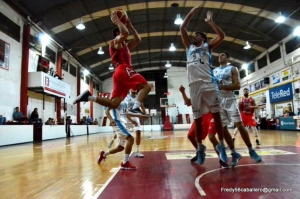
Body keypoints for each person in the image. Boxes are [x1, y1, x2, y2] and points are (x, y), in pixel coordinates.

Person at [73, 13, 151, 119]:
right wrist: (118, 22)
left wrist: (130, 25)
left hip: (119, 74)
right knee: (146, 86)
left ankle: (89, 97)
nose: (120, 33)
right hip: (123, 69)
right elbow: (125, 34)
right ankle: (135, 108)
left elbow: (138, 40)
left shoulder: (126, 46)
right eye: (118, 32)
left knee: (114, 103)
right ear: (117, 35)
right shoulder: (115, 42)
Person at [180, 6, 227, 165]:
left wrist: (210, 22)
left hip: (207, 83)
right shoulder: (189, 48)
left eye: (197, 35)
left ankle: (221, 146)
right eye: (194, 35)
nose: (194, 36)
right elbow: (182, 28)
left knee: (216, 114)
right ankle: (200, 148)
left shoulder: (208, 47)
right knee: (197, 119)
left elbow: (222, 35)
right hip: (193, 85)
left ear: (204, 39)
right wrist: (190, 14)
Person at [213, 51, 261, 164]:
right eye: (220, 55)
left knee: (239, 124)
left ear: (228, 58)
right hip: (219, 101)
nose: (220, 56)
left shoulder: (232, 68)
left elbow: (237, 85)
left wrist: (222, 86)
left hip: (230, 99)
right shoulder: (214, 71)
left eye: (223, 55)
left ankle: (251, 150)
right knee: (223, 128)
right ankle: (234, 153)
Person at [179, 85, 236, 168]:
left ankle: (221, 159)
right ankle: (200, 152)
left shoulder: (209, 90)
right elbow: (188, 103)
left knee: (212, 137)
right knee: (190, 136)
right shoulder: (196, 91)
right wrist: (183, 92)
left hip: (208, 115)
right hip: (199, 116)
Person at [98, 100, 136, 170]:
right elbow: (107, 111)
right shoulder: (115, 99)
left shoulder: (125, 101)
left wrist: (132, 121)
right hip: (118, 123)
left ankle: (103, 154)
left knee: (120, 148)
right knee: (130, 139)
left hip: (124, 124)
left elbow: (126, 114)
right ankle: (125, 163)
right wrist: (111, 120)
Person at [124, 89, 145, 158]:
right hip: (127, 117)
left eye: (135, 88)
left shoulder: (138, 97)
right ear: (129, 89)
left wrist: (144, 114)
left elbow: (142, 106)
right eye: (132, 88)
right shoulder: (126, 97)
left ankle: (137, 151)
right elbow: (124, 110)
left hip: (135, 116)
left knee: (138, 132)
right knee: (125, 137)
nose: (134, 89)